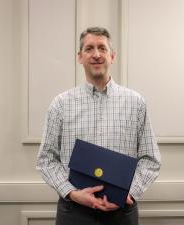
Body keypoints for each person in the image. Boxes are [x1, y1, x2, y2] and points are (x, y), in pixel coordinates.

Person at [37, 27, 161, 225]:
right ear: (79, 57)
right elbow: (46, 159)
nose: (96, 54)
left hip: (122, 212)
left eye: (102, 48)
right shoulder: (60, 104)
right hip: (74, 212)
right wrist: (73, 193)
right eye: (89, 49)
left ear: (112, 56)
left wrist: (131, 192)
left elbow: (150, 159)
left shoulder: (136, 103)